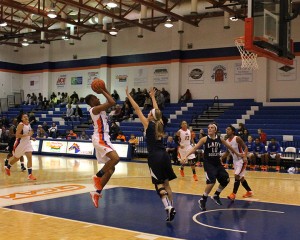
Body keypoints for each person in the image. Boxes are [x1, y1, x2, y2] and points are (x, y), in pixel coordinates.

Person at [125, 86, 177, 222]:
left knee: (158, 185)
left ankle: (168, 207)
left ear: (151, 115)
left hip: (155, 157)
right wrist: (153, 97)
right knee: (167, 184)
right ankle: (172, 206)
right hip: (165, 155)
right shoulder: (160, 123)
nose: (147, 114)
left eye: (149, 113)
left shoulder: (148, 124)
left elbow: (137, 109)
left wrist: (128, 96)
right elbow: (157, 111)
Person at [181, 123, 242, 211]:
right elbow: (194, 148)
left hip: (217, 163)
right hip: (208, 164)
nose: (209, 129)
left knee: (226, 180)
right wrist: (185, 156)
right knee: (211, 182)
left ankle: (216, 195)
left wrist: (236, 153)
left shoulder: (220, 139)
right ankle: (203, 199)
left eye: (211, 128)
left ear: (215, 130)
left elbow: (229, 147)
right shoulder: (204, 139)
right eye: (208, 128)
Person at [85, 87, 120, 209]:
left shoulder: (101, 110)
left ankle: (96, 193)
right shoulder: (94, 110)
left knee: (111, 170)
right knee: (115, 158)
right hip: (100, 138)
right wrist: (103, 90)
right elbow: (112, 102)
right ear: (91, 102)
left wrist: (104, 90)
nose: (98, 98)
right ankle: (97, 176)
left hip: (104, 138)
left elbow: (111, 101)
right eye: (95, 98)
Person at [222, 125, 253, 201]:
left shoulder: (237, 138)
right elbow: (227, 152)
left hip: (241, 160)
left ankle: (233, 194)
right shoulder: (226, 141)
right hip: (235, 161)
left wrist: (245, 156)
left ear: (232, 131)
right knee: (241, 178)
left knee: (236, 176)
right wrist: (220, 158)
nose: (227, 130)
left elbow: (245, 148)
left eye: (228, 129)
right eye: (226, 129)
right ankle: (249, 191)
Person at [4, 113, 37, 180]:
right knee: (16, 158)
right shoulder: (20, 125)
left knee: (29, 158)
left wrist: (31, 137)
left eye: (26, 116)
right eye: (24, 117)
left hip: (27, 144)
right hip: (20, 144)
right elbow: (17, 135)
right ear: (22, 119)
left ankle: (30, 175)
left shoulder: (29, 124)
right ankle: (8, 167)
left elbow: (29, 134)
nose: (26, 117)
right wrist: (27, 135)